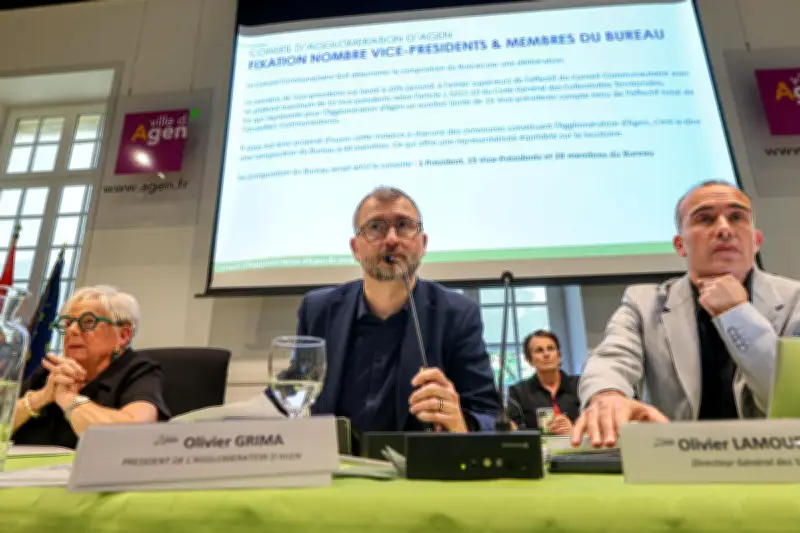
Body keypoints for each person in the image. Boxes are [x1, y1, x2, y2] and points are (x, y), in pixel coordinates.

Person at [573, 180, 800, 448]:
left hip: (775, 458)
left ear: (756, 241)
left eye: (737, 217)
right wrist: (607, 395)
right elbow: (612, 357)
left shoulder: (794, 300)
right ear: (680, 245)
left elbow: (791, 398)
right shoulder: (644, 303)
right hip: (676, 458)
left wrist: (737, 314)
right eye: (705, 219)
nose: (724, 229)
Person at [281, 186, 500, 434]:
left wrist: (459, 422)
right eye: (376, 227)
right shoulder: (318, 310)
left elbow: (489, 415)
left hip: (416, 458)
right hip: (335, 457)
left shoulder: (457, 314)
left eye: (404, 226)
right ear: (355, 248)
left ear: (423, 244)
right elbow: (293, 391)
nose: (392, 239)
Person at [12, 285, 170, 449]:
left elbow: (136, 435)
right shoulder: (52, 371)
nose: (72, 330)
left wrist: (69, 399)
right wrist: (40, 397)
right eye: (68, 323)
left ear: (123, 335)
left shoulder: (139, 370)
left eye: (88, 322)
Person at [508, 330, 580, 435]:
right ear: (529, 360)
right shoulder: (518, 392)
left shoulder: (580, 384)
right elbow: (515, 431)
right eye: (539, 350)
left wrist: (574, 430)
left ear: (559, 355)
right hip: (537, 445)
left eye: (550, 349)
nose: (546, 354)